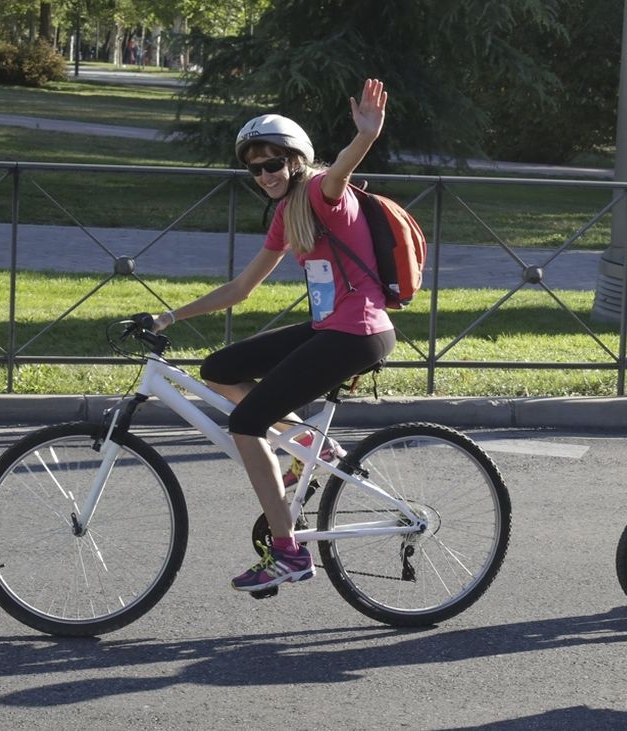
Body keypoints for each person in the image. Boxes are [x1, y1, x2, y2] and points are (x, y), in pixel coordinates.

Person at [151, 79, 395, 593]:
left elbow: (342, 170)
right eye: (255, 168)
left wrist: (366, 137)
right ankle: (311, 444)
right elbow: (241, 288)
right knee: (219, 370)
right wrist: (167, 318)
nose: (264, 175)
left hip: (358, 334)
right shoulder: (287, 213)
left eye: (273, 164)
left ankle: (288, 554)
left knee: (247, 423)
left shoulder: (319, 191)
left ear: (296, 160)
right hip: (331, 328)